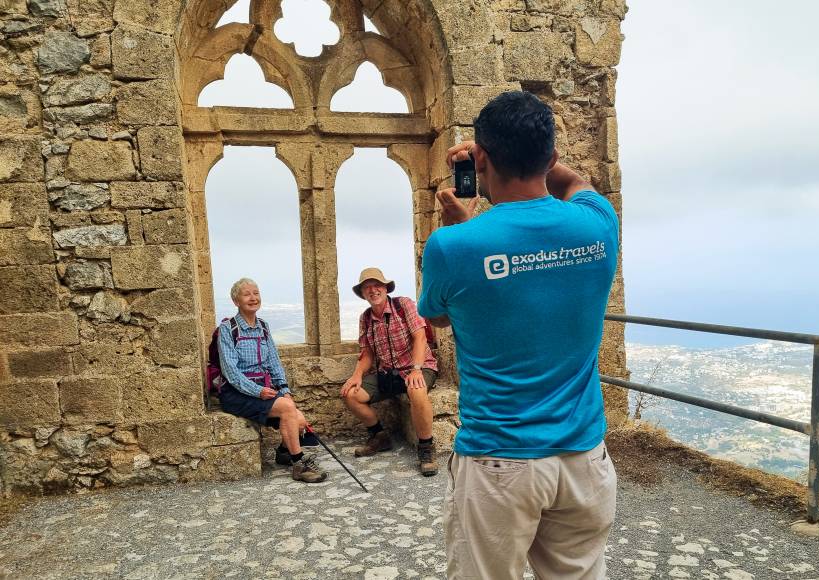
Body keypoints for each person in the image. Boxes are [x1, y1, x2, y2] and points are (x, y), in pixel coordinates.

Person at [417, 91, 620, 579]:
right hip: (584, 458)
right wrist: (534, 156)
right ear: (550, 157)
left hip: (498, 462)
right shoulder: (598, 224)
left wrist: (464, 228)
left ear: (480, 159)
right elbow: (576, 182)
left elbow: (439, 319)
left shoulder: (452, 245)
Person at [217, 277, 327, 483]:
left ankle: (284, 453)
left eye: (256, 293)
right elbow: (231, 373)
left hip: (263, 389)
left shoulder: (263, 327)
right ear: (236, 301)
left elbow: (274, 363)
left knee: (299, 420)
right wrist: (257, 391)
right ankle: (299, 464)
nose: (253, 298)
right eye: (246, 294)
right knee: (288, 409)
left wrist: (284, 389)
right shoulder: (228, 329)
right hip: (236, 393)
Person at [340, 267, 440, 476]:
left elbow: (420, 337)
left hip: (419, 366)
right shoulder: (365, 318)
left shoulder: (403, 305)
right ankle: (379, 436)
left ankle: (426, 448)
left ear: (386, 288)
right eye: (367, 287)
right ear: (363, 293)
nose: (373, 290)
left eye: (377, 285)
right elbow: (367, 353)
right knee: (350, 394)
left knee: (416, 390)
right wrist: (356, 375)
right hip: (388, 375)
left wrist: (416, 369)